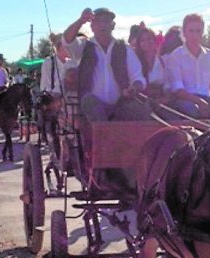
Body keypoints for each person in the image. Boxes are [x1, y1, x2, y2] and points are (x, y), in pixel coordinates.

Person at [63, 7, 150, 196]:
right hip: (93, 103)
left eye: (106, 21)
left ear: (113, 25)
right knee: (91, 104)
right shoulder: (84, 47)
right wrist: (80, 20)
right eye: (98, 21)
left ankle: (143, 167)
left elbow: (138, 77)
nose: (102, 25)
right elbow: (66, 39)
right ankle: (102, 169)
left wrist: (133, 88)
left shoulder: (124, 49)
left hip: (119, 103)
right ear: (92, 26)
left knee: (143, 111)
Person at [168, 14, 210, 119]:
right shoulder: (176, 56)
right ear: (184, 33)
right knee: (192, 110)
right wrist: (200, 102)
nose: (195, 35)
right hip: (185, 99)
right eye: (191, 31)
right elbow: (177, 89)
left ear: (202, 32)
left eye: (198, 31)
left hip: (207, 98)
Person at [134, 26, 171, 106]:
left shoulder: (163, 61)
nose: (147, 42)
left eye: (149, 38)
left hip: (161, 102)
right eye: (143, 40)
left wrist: (166, 98)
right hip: (141, 102)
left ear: (155, 41)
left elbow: (167, 84)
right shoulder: (135, 62)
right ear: (139, 43)